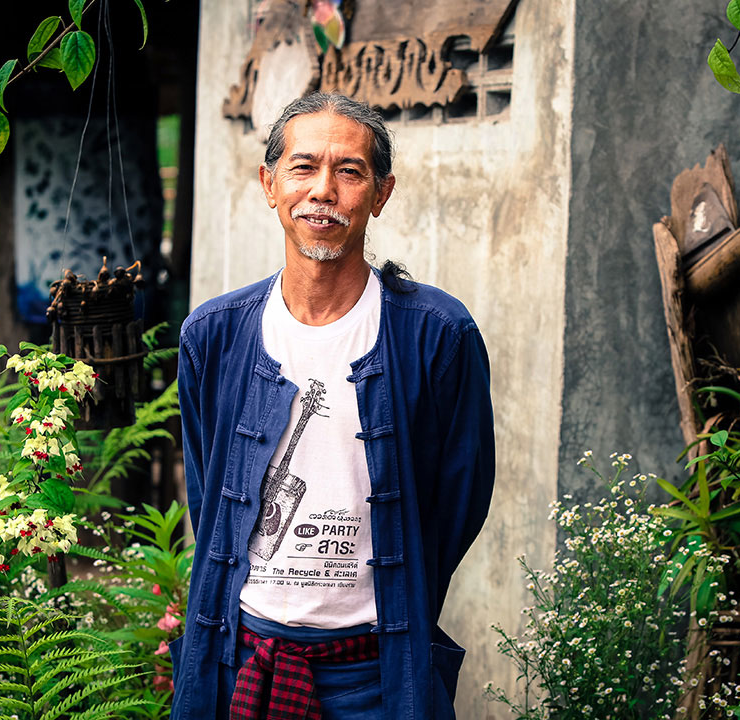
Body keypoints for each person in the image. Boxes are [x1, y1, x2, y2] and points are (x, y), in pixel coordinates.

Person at [171, 92, 495, 720]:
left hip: (376, 674)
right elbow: (210, 494)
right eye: (303, 167)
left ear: (381, 193)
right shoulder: (214, 335)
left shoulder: (437, 335)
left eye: (349, 171)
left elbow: (459, 501)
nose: (323, 190)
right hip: (243, 662)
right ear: (269, 184)